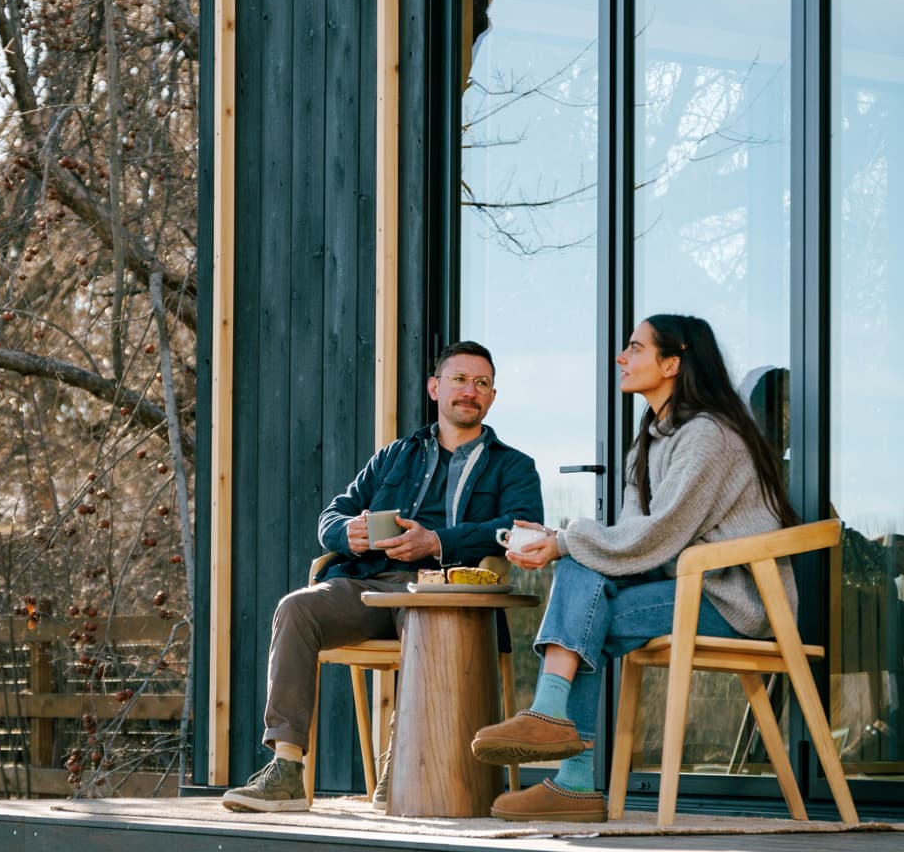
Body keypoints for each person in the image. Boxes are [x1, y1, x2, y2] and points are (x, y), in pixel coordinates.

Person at [471, 313, 798, 821]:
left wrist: (563, 540)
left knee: (583, 587)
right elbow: (627, 546)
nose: (621, 358)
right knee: (585, 572)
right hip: (683, 587)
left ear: (672, 363)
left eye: (634, 348)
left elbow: (658, 532)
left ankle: (567, 758)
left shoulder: (708, 435)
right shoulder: (650, 439)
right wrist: (567, 545)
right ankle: (559, 742)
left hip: (733, 599)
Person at [223, 340, 543, 812]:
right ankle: (286, 769)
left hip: (446, 592)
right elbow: (334, 514)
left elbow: (520, 530)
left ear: (492, 397)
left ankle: (403, 758)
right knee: (297, 607)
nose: (469, 391)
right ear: (436, 388)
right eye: (459, 379)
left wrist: (437, 542)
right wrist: (345, 534)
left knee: (424, 617)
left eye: (481, 383)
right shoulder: (395, 456)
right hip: (373, 583)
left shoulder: (513, 466)